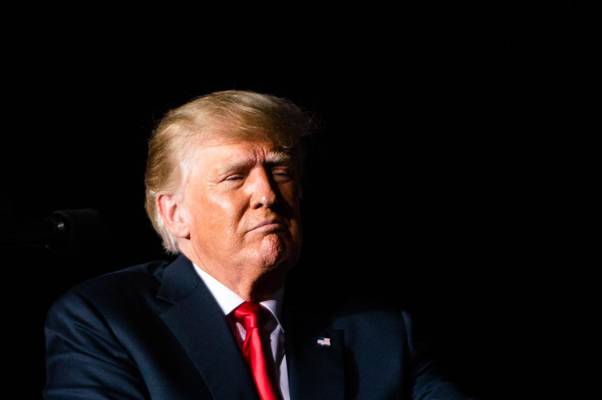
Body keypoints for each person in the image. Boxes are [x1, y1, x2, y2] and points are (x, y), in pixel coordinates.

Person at [44, 90, 466, 399]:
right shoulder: (105, 321)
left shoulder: (379, 328)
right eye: (235, 177)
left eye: (280, 172)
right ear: (175, 213)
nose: (267, 194)